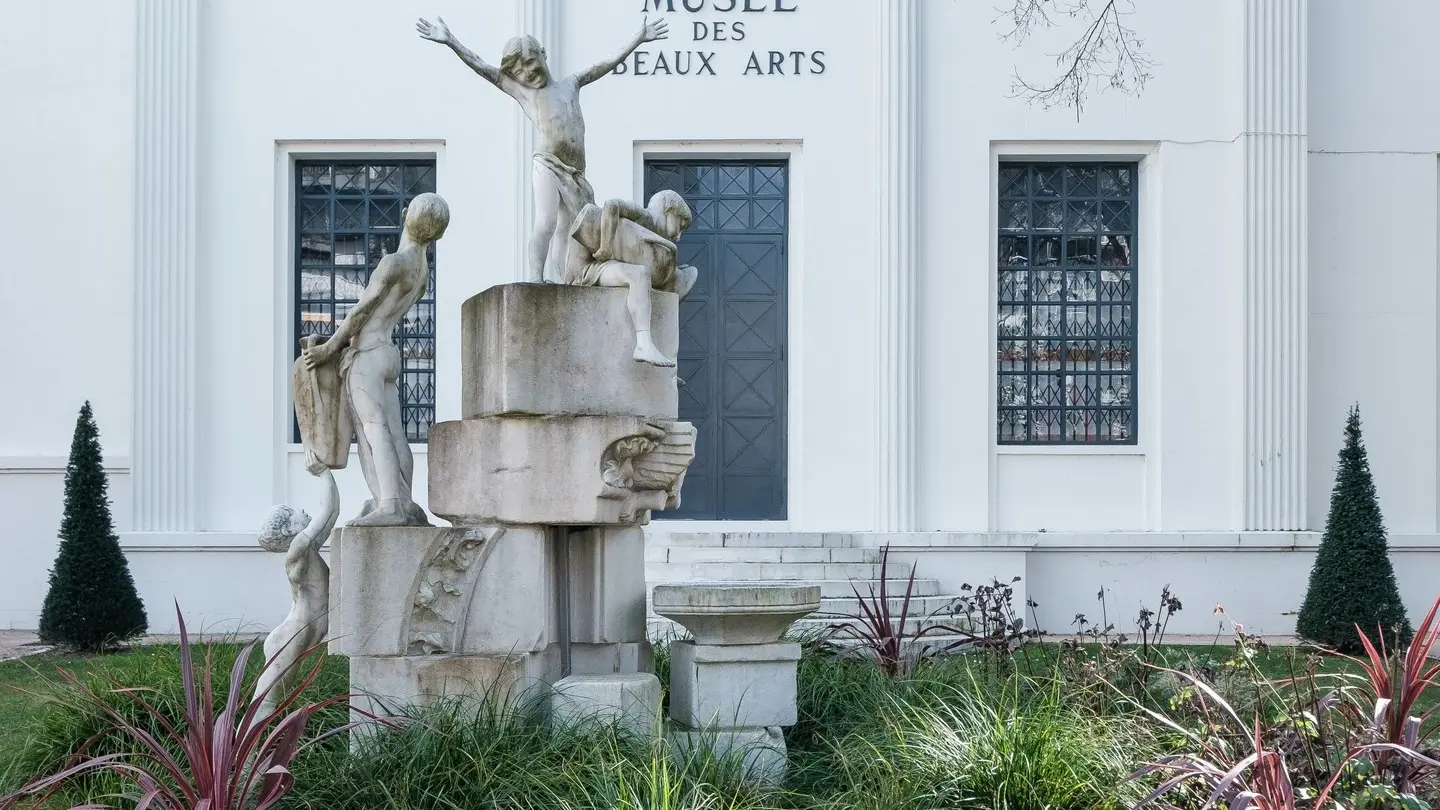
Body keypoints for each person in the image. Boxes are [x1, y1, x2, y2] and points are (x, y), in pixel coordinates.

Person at [416, 15, 669, 282]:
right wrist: (451, 41)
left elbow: (604, 64)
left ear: (543, 55)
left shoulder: (571, 83)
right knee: (547, 221)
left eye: (529, 62)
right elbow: (482, 67)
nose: (526, 72)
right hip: (547, 164)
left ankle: (562, 280)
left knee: (571, 229)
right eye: (518, 71)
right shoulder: (527, 93)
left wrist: (638, 40)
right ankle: (536, 278)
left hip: (576, 174)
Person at [302, 193, 449, 527]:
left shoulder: (393, 263)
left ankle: (390, 504)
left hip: (368, 354)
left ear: (407, 215)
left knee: (373, 429)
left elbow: (362, 310)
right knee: (396, 431)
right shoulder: (420, 271)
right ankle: (404, 500)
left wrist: (330, 348)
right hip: (389, 355)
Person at [566, 191, 699, 367]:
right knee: (639, 275)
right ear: (669, 211)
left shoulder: (645, 229)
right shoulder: (646, 217)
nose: (678, 236)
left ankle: (666, 369)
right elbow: (612, 204)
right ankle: (644, 344)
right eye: (679, 226)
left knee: (645, 279)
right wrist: (606, 247)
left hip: (598, 267)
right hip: (585, 271)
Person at [254, 467, 336, 716]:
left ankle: (254, 751)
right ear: (290, 531)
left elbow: (333, 516)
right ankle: (245, 754)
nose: (302, 511)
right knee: (266, 702)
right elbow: (328, 511)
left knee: (272, 701)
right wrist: (323, 473)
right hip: (291, 634)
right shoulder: (298, 547)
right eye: (293, 514)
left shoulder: (307, 551)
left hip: (301, 631)